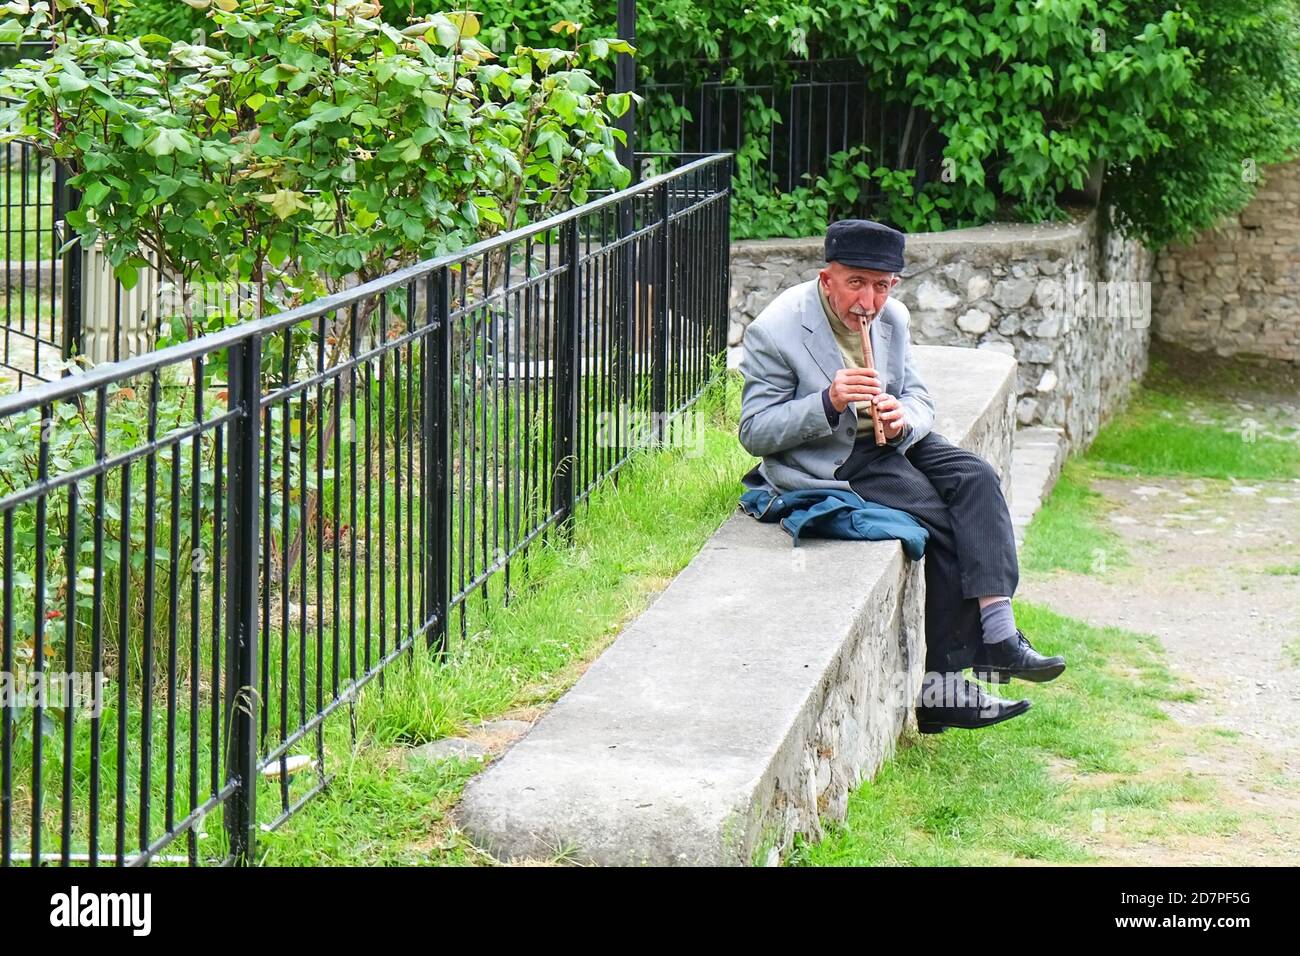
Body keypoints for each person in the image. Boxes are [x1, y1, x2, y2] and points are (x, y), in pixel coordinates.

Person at [737, 219, 1066, 733]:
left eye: (882, 285)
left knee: (976, 477)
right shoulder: (777, 330)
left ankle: (1001, 636)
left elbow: (919, 397)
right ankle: (945, 689)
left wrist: (904, 416)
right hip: (836, 457)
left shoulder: (893, 318)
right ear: (828, 279)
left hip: (894, 440)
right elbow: (755, 432)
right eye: (856, 283)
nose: (869, 300)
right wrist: (828, 400)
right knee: (942, 517)